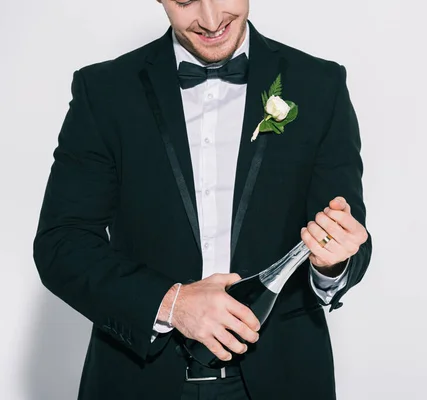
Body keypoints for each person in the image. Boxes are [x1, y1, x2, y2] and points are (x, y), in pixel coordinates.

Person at [33, 1, 372, 399]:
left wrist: (332, 262)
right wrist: (172, 304)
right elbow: (62, 245)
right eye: (185, 1)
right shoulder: (104, 91)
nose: (211, 21)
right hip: (137, 380)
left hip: (284, 380)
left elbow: (348, 237)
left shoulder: (320, 84)